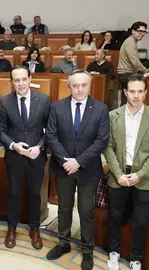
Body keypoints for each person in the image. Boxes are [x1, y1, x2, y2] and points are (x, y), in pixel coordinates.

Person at [45, 70, 110, 270]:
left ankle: (87, 249)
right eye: (75, 85)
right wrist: (67, 161)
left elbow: (102, 140)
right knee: (64, 208)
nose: (80, 89)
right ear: (69, 87)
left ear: (89, 86)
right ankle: (63, 243)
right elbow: (51, 137)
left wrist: (78, 161)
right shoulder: (56, 107)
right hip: (63, 167)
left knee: (86, 210)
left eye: (84, 85)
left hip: (88, 169)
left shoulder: (100, 109)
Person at [103, 73, 149, 270]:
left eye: (140, 91)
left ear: (146, 92)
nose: (136, 96)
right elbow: (108, 147)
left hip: (144, 178)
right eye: (132, 91)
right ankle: (114, 251)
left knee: (141, 222)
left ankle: (136, 258)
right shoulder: (113, 116)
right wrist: (119, 173)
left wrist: (139, 175)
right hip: (118, 175)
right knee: (115, 217)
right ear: (125, 92)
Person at [0, 66, 50, 250]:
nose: (20, 83)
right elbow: (0, 131)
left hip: (36, 156)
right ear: (12, 82)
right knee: (14, 194)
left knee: (35, 195)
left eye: (23, 79)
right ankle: (12, 228)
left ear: (30, 79)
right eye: (16, 80)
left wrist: (40, 147)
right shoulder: (5, 101)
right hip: (15, 157)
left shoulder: (43, 100)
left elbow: (49, 130)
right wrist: (13, 145)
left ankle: (34, 229)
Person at [118, 21, 149, 105]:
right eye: (140, 31)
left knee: (128, 100)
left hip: (127, 73)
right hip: (126, 73)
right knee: (129, 100)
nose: (142, 34)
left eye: (144, 32)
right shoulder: (130, 42)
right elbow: (135, 61)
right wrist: (146, 71)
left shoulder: (132, 42)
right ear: (133, 31)